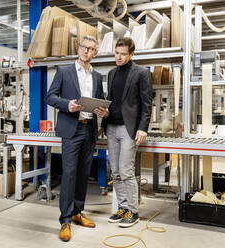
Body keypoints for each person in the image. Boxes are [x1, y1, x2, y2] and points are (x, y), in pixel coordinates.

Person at [46, 35, 108, 241]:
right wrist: (67, 105)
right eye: (83, 47)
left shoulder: (97, 76)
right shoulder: (64, 71)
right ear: (78, 48)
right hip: (71, 130)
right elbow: (50, 97)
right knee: (70, 173)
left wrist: (101, 112)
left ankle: (78, 212)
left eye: (91, 49)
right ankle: (65, 220)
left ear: (95, 53)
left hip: (89, 130)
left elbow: (99, 101)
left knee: (83, 173)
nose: (86, 52)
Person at [100, 37, 153, 227]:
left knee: (126, 171)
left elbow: (147, 104)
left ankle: (134, 211)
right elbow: (112, 101)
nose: (119, 57)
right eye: (116, 53)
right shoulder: (112, 73)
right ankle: (122, 208)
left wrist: (143, 128)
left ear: (132, 54)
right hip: (111, 128)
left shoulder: (141, 73)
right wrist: (103, 117)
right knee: (114, 172)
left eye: (123, 54)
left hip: (128, 129)